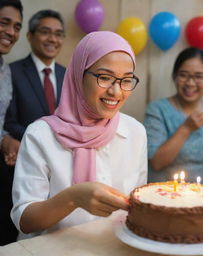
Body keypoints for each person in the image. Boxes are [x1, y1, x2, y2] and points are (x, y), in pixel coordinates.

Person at [11, 31, 147, 239]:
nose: (116, 92)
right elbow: (25, 221)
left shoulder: (135, 132)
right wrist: (72, 199)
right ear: (78, 75)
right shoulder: (41, 136)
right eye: (105, 77)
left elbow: (138, 205)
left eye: (126, 80)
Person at [144, 47, 203, 187]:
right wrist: (186, 128)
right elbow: (156, 162)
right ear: (174, 77)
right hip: (168, 195)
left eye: (198, 76)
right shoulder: (157, 110)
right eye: (183, 75)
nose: (190, 83)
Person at [3, 9, 66, 163]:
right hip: (25, 158)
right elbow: (8, 122)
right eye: (45, 32)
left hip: (63, 160)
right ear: (30, 36)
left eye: (58, 34)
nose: (52, 39)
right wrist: (43, 140)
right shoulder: (11, 72)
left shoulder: (67, 75)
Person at [0, 0, 23, 245]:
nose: (11, 32)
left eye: (17, 26)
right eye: (4, 23)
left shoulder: (5, 70)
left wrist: (6, 139)